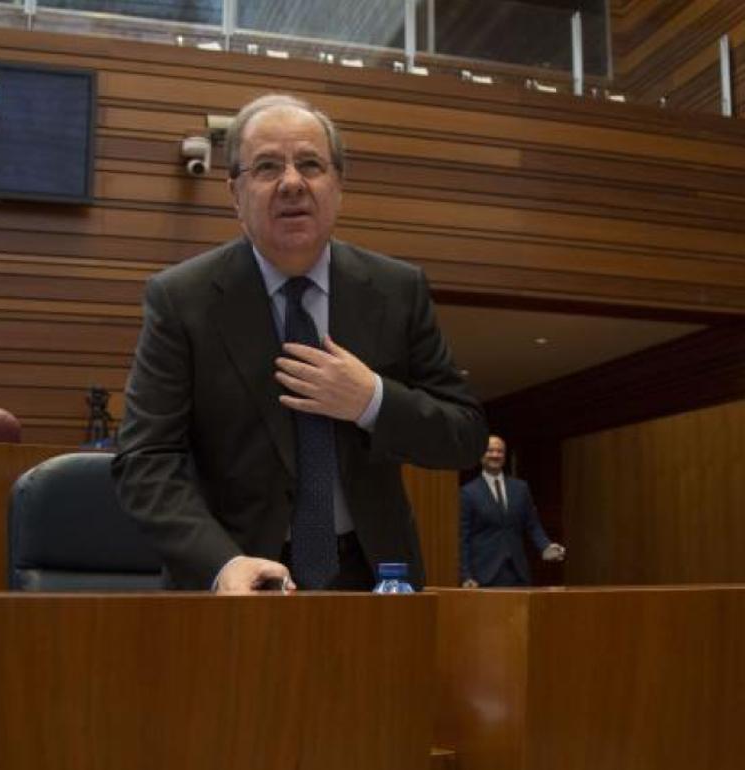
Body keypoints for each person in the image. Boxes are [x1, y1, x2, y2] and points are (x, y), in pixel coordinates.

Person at [112, 93, 487, 594]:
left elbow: (464, 435)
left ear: (338, 184)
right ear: (234, 192)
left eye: (310, 164)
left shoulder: (398, 290)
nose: (292, 182)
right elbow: (145, 460)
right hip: (241, 580)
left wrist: (371, 400)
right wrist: (222, 565)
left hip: (374, 579)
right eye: (267, 167)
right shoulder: (182, 300)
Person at [459, 435, 565, 587]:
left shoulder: (520, 488)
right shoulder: (468, 492)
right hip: (483, 575)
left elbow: (532, 524)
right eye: (490, 451)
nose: (495, 455)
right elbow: (463, 538)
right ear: (481, 455)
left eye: (500, 451)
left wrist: (546, 546)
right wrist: (466, 575)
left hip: (518, 572)